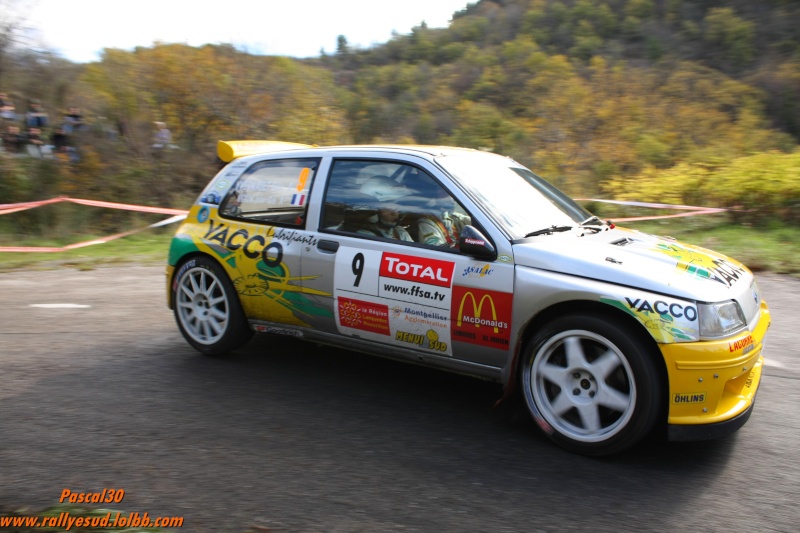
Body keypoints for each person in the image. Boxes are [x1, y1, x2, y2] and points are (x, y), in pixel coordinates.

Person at [410, 178, 471, 248]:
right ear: (437, 195)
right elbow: (437, 251)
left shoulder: (451, 217)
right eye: (446, 194)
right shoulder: (426, 223)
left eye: (452, 194)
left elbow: (474, 221)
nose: (451, 198)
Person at [354, 175, 413, 242]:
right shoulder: (365, 237)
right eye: (390, 207)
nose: (395, 213)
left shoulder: (400, 232)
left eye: (397, 207)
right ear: (374, 211)